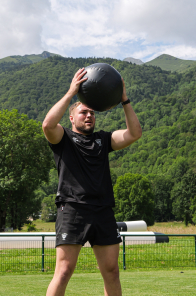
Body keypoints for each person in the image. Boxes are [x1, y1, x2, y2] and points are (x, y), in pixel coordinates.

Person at [42, 68, 142, 296]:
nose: (89, 116)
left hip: (103, 210)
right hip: (73, 209)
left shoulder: (103, 140)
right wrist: (71, 93)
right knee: (65, 270)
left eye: (92, 114)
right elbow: (47, 125)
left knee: (111, 271)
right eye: (83, 112)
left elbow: (134, 134)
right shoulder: (63, 138)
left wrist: (124, 99)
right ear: (71, 118)